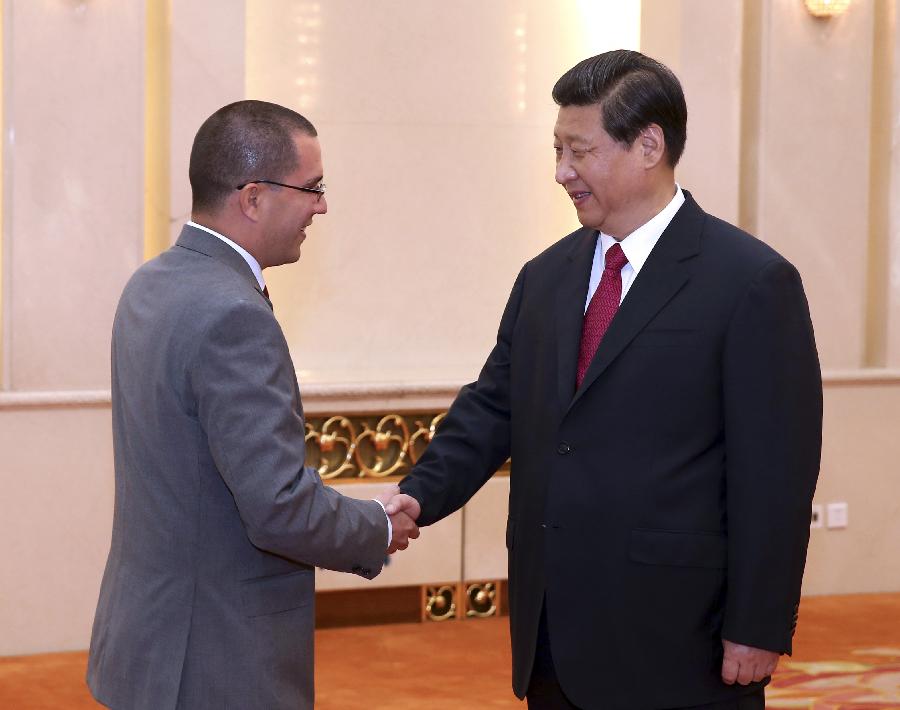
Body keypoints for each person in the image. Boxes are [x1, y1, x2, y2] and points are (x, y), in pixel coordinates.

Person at [387, 50, 821, 709]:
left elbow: (775, 475)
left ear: (648, 145)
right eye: (557, 150)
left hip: (680, 639)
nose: (562, 172)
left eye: (579, 151)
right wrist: (416, 497)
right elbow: (492, 408)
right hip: (554, 634)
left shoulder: (750, 282)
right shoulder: (545, 276)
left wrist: (757, 626)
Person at [87, 100, 418, 710]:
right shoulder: (232, 312)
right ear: (255, 196)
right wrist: (376, 526)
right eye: (313, 188)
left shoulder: (152, 282)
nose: (321, 206)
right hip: (216, 661)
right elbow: (277, 508)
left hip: (146, 647)